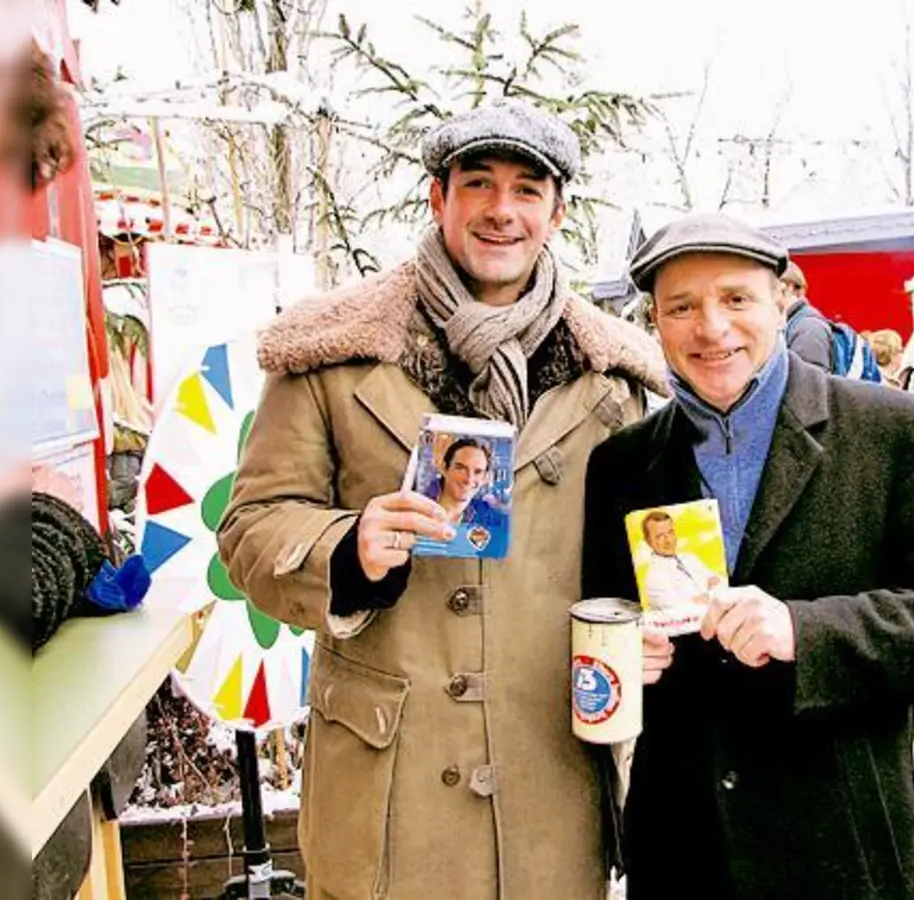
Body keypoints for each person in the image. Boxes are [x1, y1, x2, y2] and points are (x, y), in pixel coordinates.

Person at [217, 99, 667, 898]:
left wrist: (651, 630)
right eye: (479, 184)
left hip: (549, 779)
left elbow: (646, 557)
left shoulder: (612, 377)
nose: (503, 210)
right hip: (391, 786)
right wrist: (348, 548)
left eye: (529, 189)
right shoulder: (331, 352)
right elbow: (251, 527)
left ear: (557, 212)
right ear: (439, 199)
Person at [583, 212, 914, 899]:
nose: (711, 328)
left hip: (838, 849)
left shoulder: (889, 430)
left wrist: (804, 633)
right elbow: (607, 618)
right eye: (681, 307)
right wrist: (620, 652)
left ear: (782, 299)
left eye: (735, 299)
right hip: (685, 853)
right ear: (654, 321)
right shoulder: (624, 464)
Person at [637, 509, 721, 610]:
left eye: (670, 532)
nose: (668, 540)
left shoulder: (690, 558)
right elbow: (679, 612)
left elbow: (719, 582)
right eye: (660, 536)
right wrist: (708, 594)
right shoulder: (654, 578)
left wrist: (704, 597)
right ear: (648, 542)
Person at [427, 437, 505, 528]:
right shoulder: (419, 501)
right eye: (461, 468)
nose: (469, 479)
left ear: (485, 478)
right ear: (444, 468)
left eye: (478, 472)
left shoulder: (492, 519)